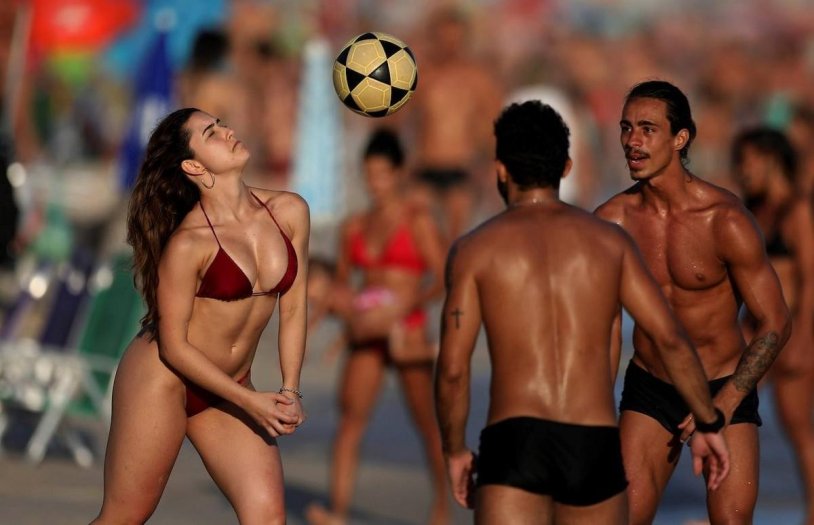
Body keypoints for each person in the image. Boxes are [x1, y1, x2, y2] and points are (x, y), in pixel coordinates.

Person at [435, 100, 730, 525]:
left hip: (515, 438)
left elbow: (452, 370)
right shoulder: (608, 243)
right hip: (592, 442)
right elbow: (669, 339)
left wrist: (455, 449)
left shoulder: (476, 250)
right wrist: (707, 421)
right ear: (567, 167)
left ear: (500, 169)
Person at [92, 107, 309, 524]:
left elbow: (296, 307)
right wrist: (251, 403)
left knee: (268, 516)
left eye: (223, 123)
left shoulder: (290, 211)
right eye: (211, 132)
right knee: (124, 517)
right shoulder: (189, 244)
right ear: (194, 165)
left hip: (231, 385)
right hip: (165, 379)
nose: (228, 132)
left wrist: (290, 391)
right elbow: (174, 345)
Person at [594, 80, 791, 524]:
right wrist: (596, 413)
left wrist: (724, 402)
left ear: (680, 138)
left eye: (647, 129)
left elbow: (775, 321)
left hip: (723, 386)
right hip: (651, 387)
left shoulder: (725, 220)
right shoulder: (611, 222)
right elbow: (601, 328)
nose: (632, 141)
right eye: (626, 128)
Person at [306, 128, 449, 525]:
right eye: (369, 175)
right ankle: (337, 510)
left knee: (426, 422)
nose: (376, 184)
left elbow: (441, 278)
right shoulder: (353, 225)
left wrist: (406, 305)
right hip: (367, 331)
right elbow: (343, 282)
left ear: (400, 173)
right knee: (350, 418)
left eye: (383, 174)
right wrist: (326, 303)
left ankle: (440, 504)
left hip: (408, 327)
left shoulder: (417, 219)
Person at [731, 127, 814, 522]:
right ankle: (728, 510)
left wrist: (806, 336)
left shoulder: (795, 209)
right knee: (726, 411)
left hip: (794, 327)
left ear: (770, 159)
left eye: (747, 161)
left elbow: (812, 277)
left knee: (797, 427)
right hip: (754, 328)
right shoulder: (751, 208)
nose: (741, 170)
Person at [409, 6, 504, 243]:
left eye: (455, 39)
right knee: (421, 237)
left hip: (462, 167)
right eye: (443, 38)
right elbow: (403, 120)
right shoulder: (423, 76)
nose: (449, 45)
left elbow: (495, 127)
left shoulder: (477, 79)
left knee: (456, 240)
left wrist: (490, 167)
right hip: (426, 166)